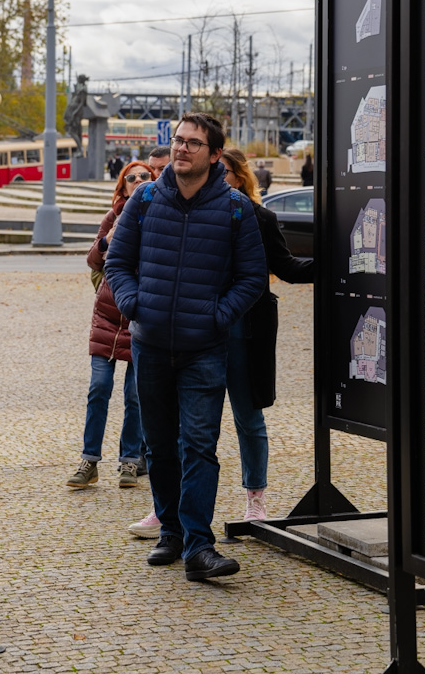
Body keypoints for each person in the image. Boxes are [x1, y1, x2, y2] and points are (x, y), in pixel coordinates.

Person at [105, 111, 267, 581]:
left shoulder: (235, 208)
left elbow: (252, 277)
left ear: (215, 154)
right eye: (178, 140)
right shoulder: (146, 199)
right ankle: (170, 532)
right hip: (150, 345)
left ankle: (199, 546)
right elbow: (118, 261)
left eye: (194, 143)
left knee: (199, 444)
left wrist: (216, 316)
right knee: (159, 445)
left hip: (204, 349)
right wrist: (137, 305)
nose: (182, 148)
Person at [219, 147, 313, 521]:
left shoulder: (260, 217)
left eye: (222, 172)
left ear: (238, 178)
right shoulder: (187, 213)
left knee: (248, 417)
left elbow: (287, 268)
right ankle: (171, 508)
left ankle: (255, 498)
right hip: (197, 330)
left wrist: (344, 261)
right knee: (189, 423)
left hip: (246, 329)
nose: (214, 178)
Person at [67, 160, 157, 490]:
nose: (137, 180)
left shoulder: (162, 216)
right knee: (98, 390)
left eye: (144, 176)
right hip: (106, 317)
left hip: (139, 319)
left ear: (154, 181)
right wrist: (108, 240)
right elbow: (93, 259)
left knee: (135, 396)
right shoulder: (114, 215)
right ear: (123, 185)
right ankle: (89, 461)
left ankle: (130, 462)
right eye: (130, 178)